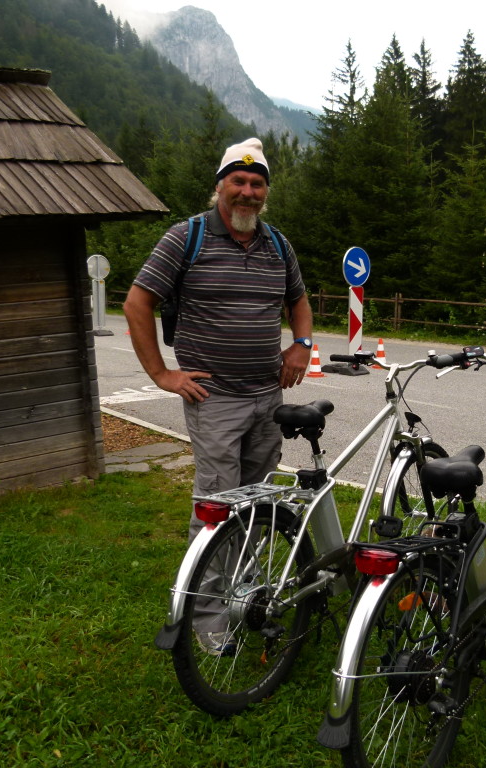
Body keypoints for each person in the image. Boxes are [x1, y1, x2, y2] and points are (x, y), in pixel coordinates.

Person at [123, 137, 313, 654]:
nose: (247, 192)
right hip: (216, 400)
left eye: (257, 184)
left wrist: (301, 345)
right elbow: (137, 303)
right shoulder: (186, 237)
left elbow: (299, 302)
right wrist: (163, 374)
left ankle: (244, 592)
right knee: (216, 507)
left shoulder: (277, 244)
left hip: (267, 398)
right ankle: (206, 616)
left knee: (256, 505)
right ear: (221, 186)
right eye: (239, 181)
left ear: (265, 192)